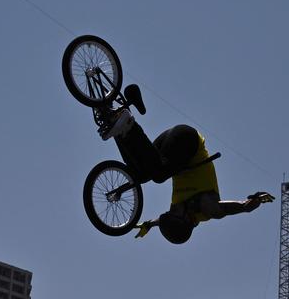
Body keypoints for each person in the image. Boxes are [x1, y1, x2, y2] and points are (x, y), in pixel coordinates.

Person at [98, 100, 274, 244]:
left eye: (168, 212)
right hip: (188, 141)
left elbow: (163, 220)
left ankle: (114, 122)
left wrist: (150, 224)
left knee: (139, 175)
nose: (171, 208)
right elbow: (241, 208)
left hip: (168, 148)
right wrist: (255, 200)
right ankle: (128, 123)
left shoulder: (178, 212)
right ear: (188, 219)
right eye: (173, 213)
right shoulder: (207, 209)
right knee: (158, 175)